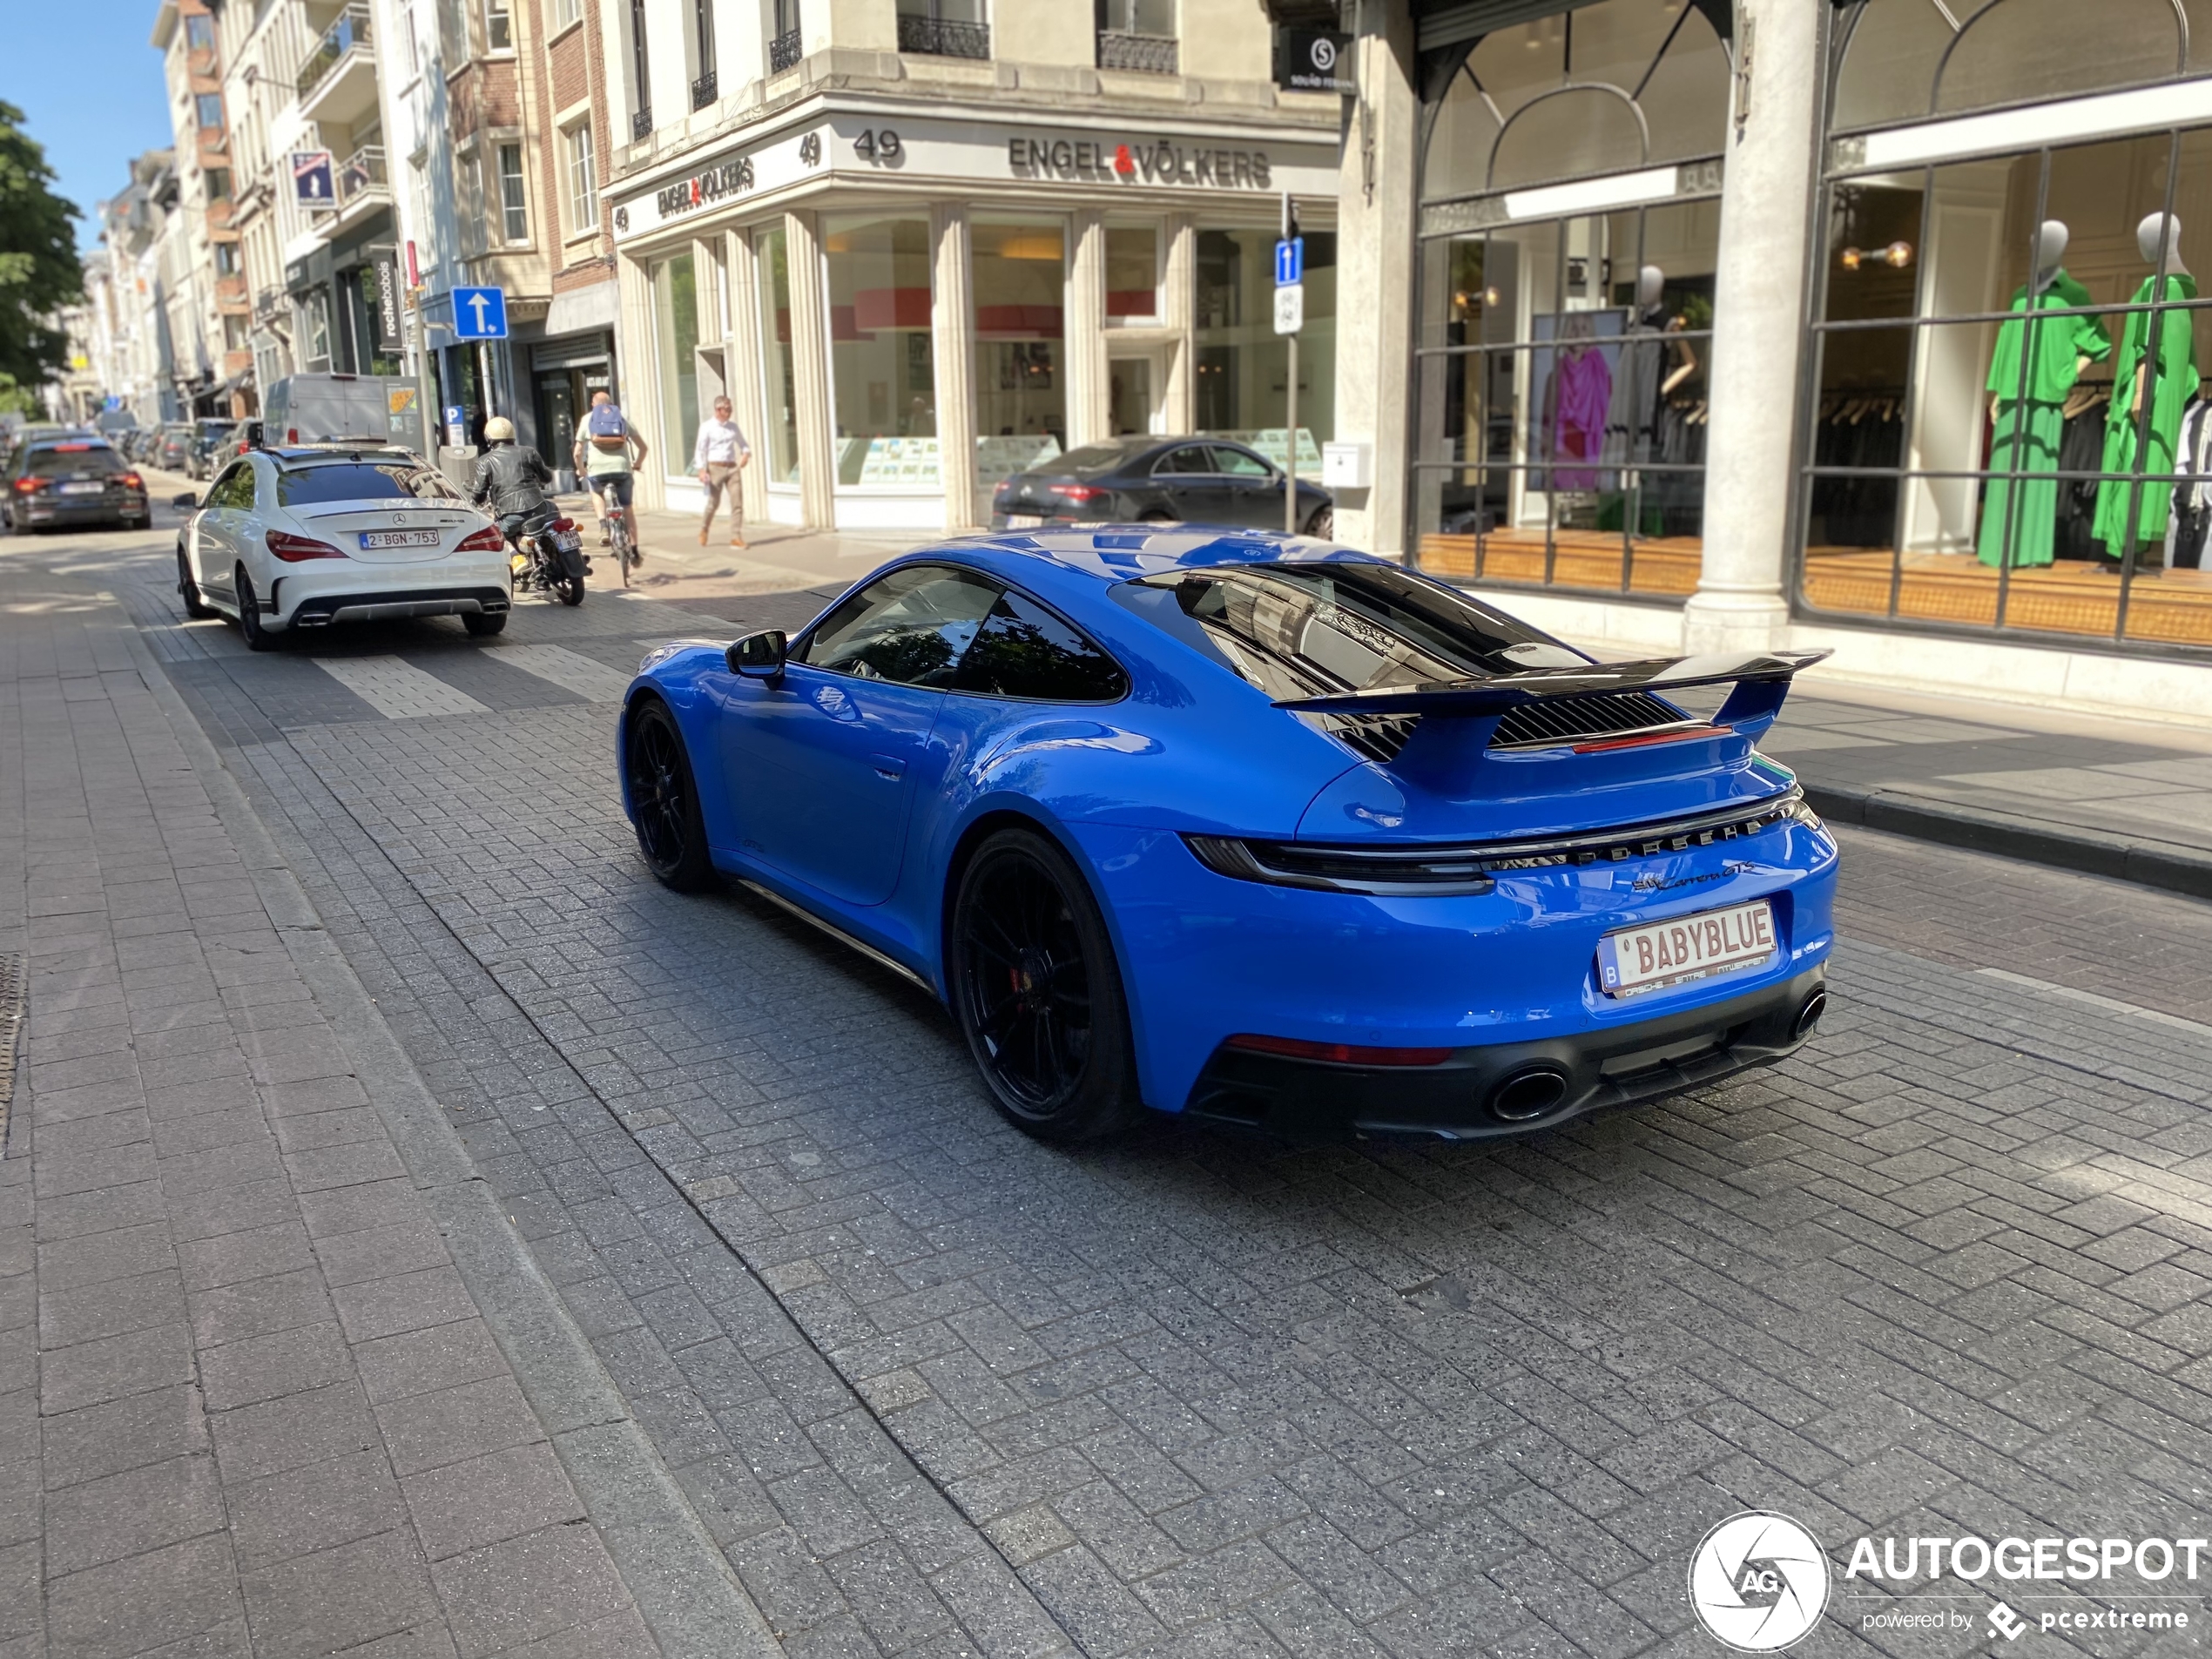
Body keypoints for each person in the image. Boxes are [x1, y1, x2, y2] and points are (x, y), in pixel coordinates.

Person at [571, 390, 647, 561]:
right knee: (627, 507)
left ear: (593, 404)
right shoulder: (622, 416)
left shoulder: (587, 419)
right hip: (622, 469)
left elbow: (577, 452)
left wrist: (581, 470)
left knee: (597, 492)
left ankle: (604, 527)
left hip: (597, 469)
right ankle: (634, 550)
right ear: (610, 403)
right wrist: (637, 464)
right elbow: (643, 447)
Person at [468, 415, 554, 525]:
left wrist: (474, 500)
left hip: (510, 516)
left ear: (488, 436)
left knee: (495, 535)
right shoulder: (529, 452)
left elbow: (479, 494)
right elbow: (547, 478)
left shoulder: (484, 461)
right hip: (538, 509)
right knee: (553, 511)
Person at [692, 395, 751, 548]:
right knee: (713, 503)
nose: (730, 411)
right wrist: (701, 470)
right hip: (715, 468)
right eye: (727, 409)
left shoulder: (733, 427)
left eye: (730, 408)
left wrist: (745, 454)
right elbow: (700, 450)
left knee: (737, 503)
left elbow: (743, 444)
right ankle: (704, 529)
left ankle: (735, 537)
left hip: (732, 467)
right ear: (718, 410)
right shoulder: (707, 427)